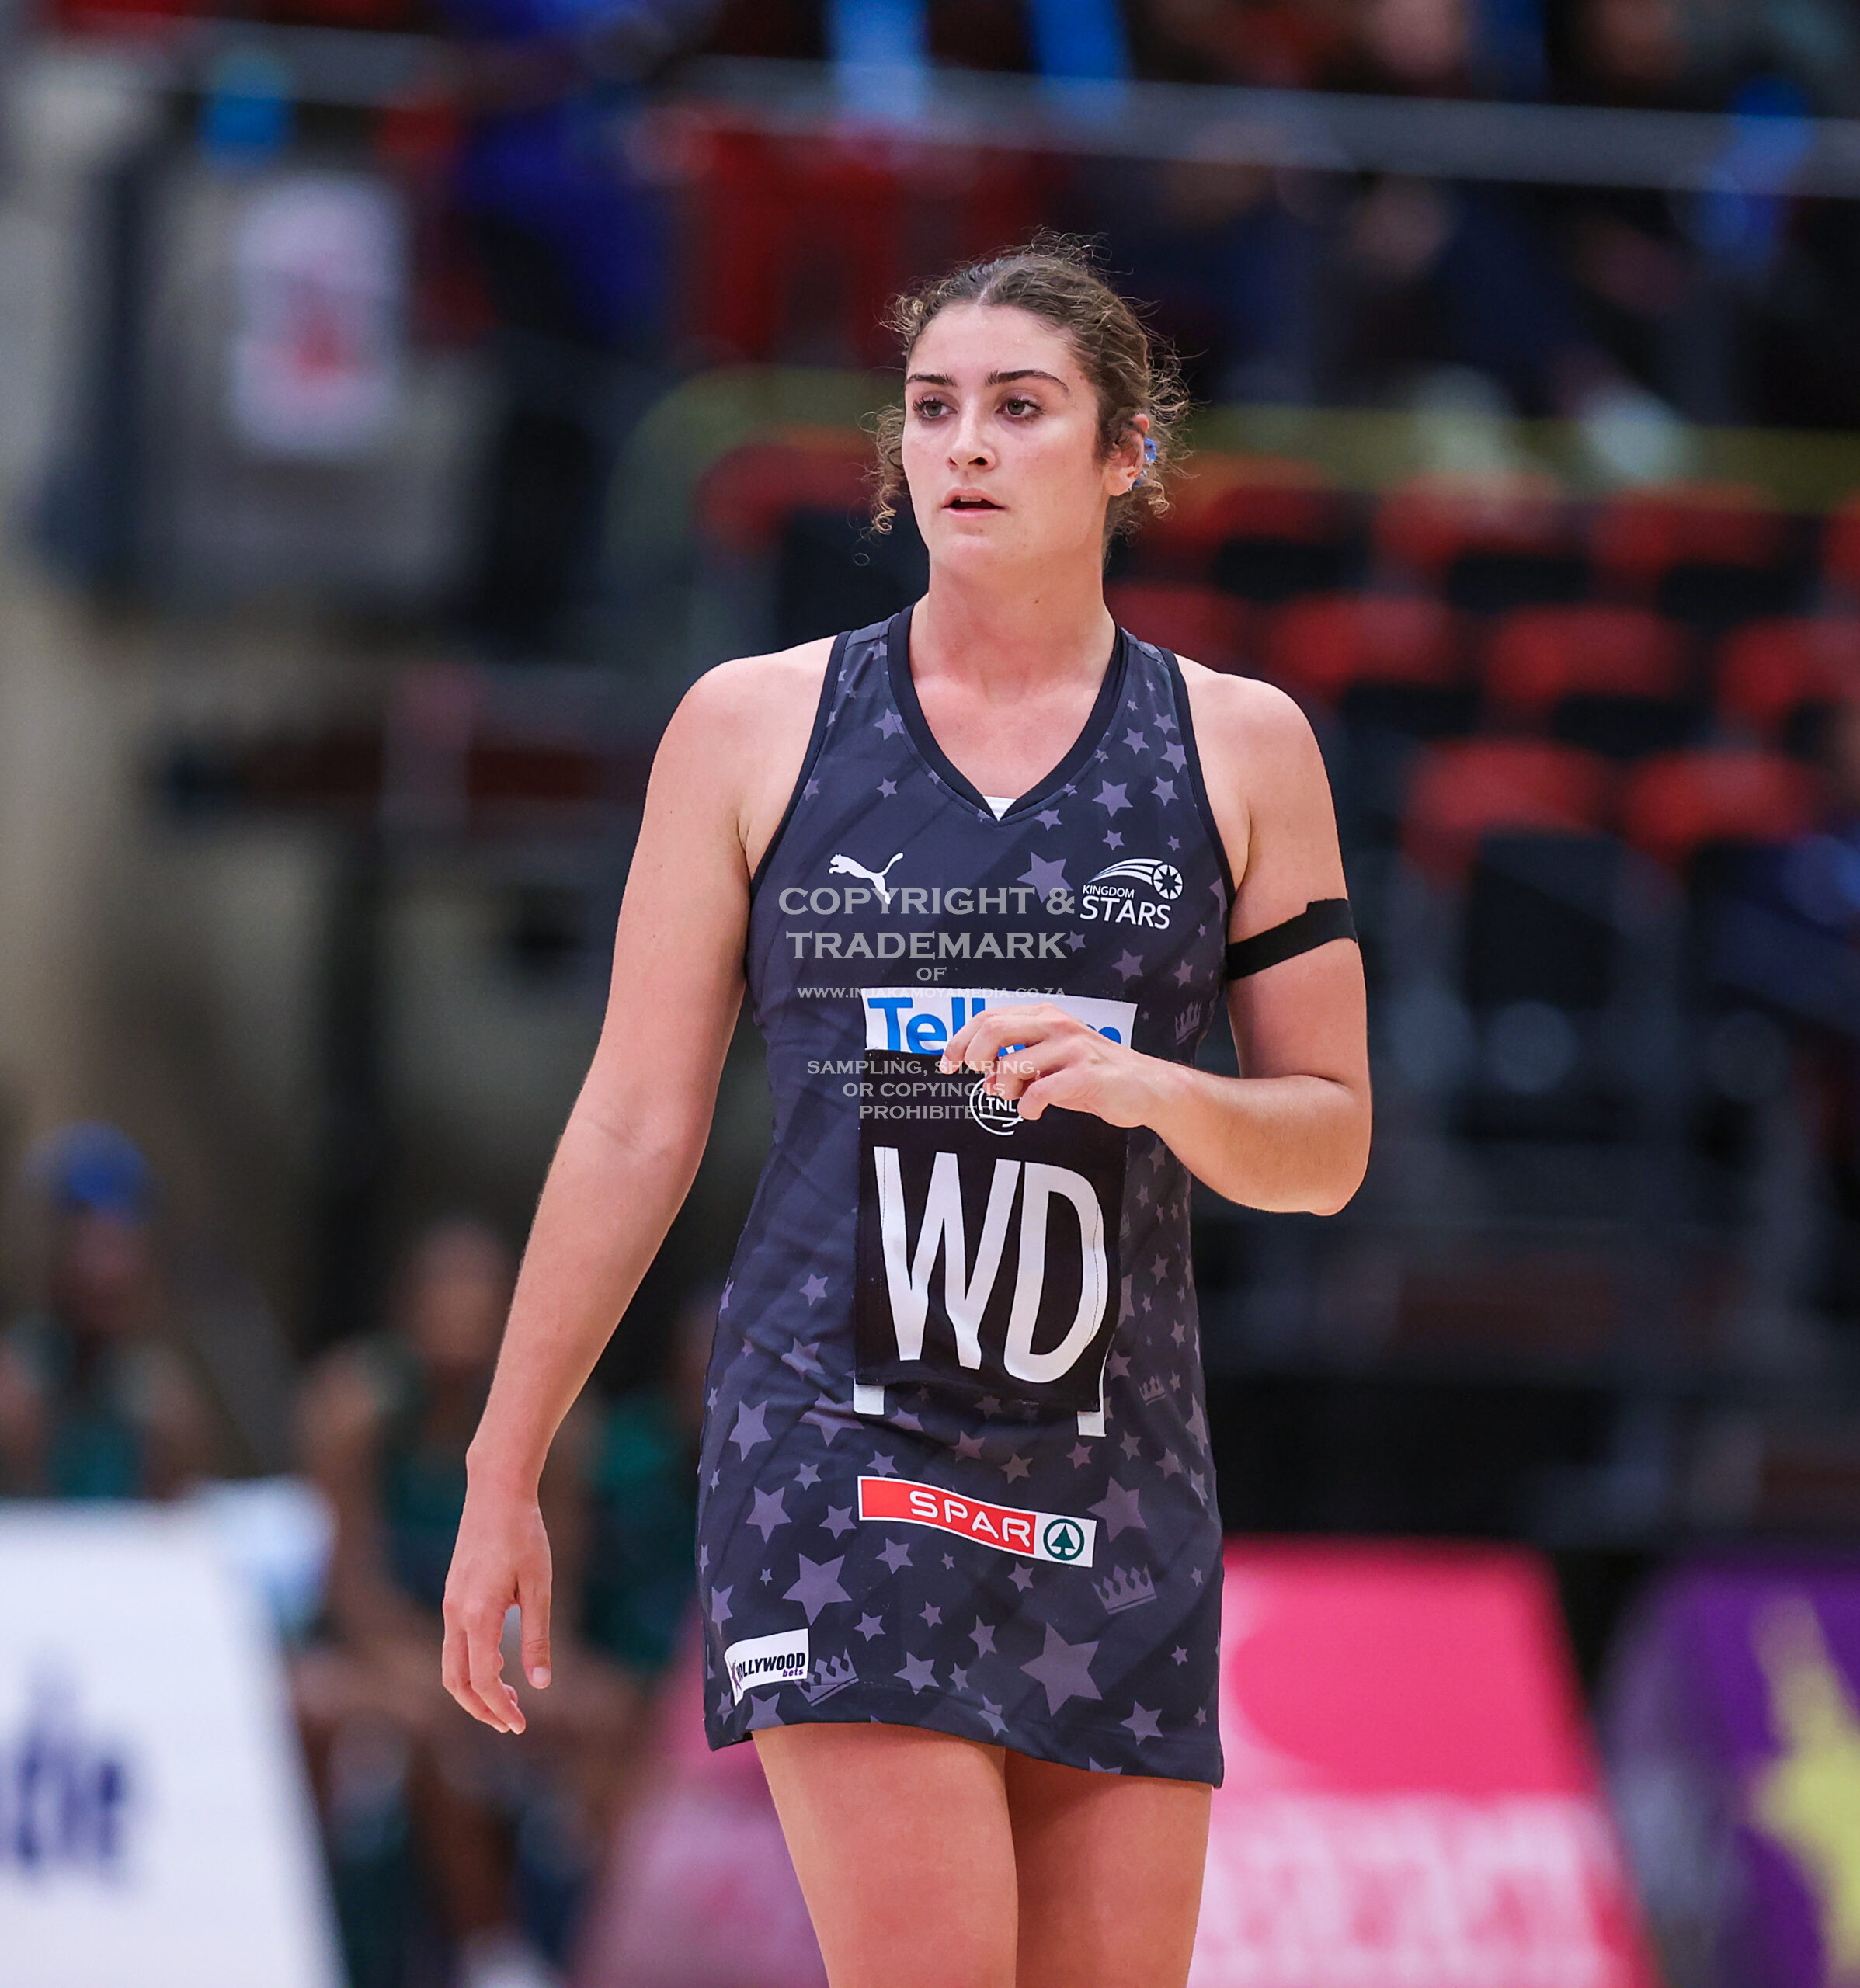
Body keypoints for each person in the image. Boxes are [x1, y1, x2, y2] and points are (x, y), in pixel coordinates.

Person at [442, 238, 1372, 1986]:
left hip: (1116, 1475)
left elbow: (1328, 1145)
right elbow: (635, 1124)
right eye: (933, 408)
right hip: (837, 1450)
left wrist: (1156, 1089)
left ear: (1126, 451)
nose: (967, 445)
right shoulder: (751, 725)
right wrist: (506, 1467)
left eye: (1021, 408)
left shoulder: (1242, 747)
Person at [294, 1217, 658, 1988]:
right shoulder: (353, 1409)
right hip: (379, 1651)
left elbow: (556, 1591)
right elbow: (349, 1590)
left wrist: (522, 1668)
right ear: (406, 1307)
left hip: (492, 1645)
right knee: (421, 1719)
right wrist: (445, 1667)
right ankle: (488, 1949)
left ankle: (594, 1947)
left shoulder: (563, 1424)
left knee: (613, 1713)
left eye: (479, 1294)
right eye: (444, 1290)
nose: (460, 1309)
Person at [0, 1123, 217, 1500]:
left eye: (122, 1248)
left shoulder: (160, 1401)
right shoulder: (17, 1385)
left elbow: (174, 1516)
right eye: (92, 1248)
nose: (109, 1272)